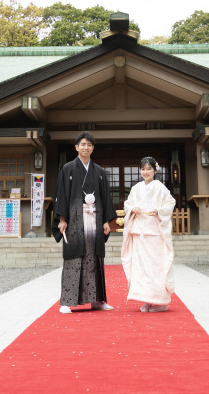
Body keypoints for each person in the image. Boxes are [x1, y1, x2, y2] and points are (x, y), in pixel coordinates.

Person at [52, 132, 115, 314]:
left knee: (95, 258)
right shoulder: (68, 169)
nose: (86, 147)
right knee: (73, 258)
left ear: (93, 148)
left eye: (89, 145)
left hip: (95, 218)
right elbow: (61, 194)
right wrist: (62, 219)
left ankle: (97, 300)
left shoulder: (100, 172)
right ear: (76, 147)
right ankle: (66, 301)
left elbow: (105, 198)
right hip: (74, 219)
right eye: (83, 144)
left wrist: (105, 221)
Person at [121, 156, 176, 312]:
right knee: (142, 267)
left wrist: (158, 211)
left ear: (155, 170)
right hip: (140, 231)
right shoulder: (136, 188)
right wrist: (133, 209)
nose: (145, 172)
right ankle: (147, 299)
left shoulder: (160, 187)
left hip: (155, 231)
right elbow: (127, 204)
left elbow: (170, 203)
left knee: (155, 266)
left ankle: (161, 301)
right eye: (143, 169)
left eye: (149, 169)